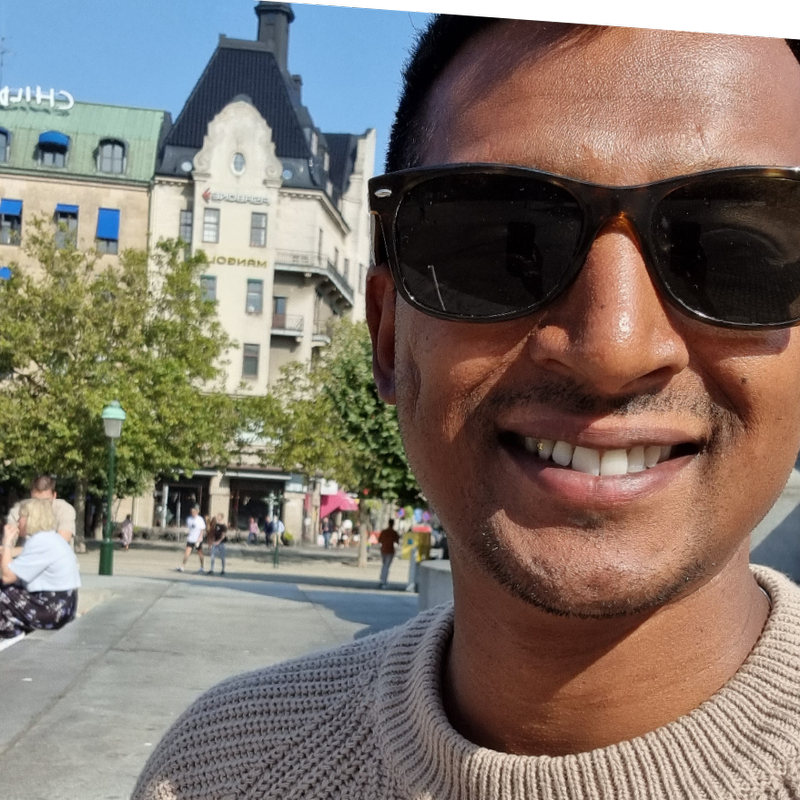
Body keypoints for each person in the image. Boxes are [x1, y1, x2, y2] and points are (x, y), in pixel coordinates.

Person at [134, 23, 800, 799]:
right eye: (502, 246)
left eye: (733, 252)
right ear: (387, 335)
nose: (613, 347)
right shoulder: (214, 773)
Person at [1, 498, 81, 642]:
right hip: (63, 606)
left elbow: (8, 576)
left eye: (21, 517)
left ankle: (12, 636)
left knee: (3, 592)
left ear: (31, 519)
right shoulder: (50, 538)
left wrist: (7, 542)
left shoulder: (40, 542)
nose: (18, 521)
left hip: (53, 610)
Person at [7, 475, 76, 546]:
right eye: (36, 500)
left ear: (54, 496)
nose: (41, 504)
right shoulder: (19, 510)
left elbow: (61, 542)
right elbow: (9, 542)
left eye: (46, 500)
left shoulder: (64, 510)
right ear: (31, 495)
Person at [176, 506, 205, 573]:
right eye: (192, 512)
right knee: (187, 552)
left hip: (198, 539)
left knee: (200, 553)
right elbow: (189, 528)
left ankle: (202, 567)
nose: (193, 513)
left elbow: (202, 529)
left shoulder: (200, 519)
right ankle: (183, 566)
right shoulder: (189, 519)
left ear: (197, 512)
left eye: (194, 512)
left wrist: (199, 538)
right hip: (191, 538)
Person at [378, 520, 400, 589]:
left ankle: (382, 579)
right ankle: (384, 581)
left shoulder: (384, 532)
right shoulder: (394, 533)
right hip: (390, 551)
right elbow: (397, 542)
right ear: (393, 524)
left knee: (384, 565)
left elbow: (379, 540)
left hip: (383, 550)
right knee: (387, 566)